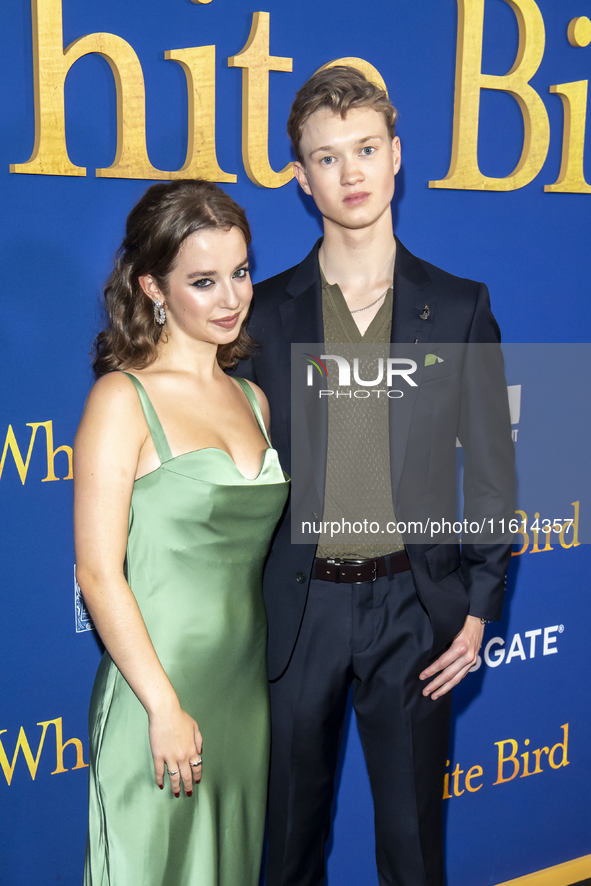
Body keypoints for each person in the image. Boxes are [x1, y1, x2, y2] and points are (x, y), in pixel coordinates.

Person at [234, 67, 514, 886]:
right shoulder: (260, 314)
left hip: (413, 612)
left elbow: (494, 468)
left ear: (396, 156)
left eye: (364, 149)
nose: (349, 173)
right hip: (297, 611)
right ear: (300, 177)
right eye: (326, 158)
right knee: (283, 851)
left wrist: (479, 608)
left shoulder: (460, 306)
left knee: (412, 851)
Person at [74, 179, 289, 886]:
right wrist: (163, 707)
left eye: (240, 273)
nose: (230, 299)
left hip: (240, 692)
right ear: (153, 288)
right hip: (154, 693)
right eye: (203, 281)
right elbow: (99, 574)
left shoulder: (251, 399)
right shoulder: (121, 398)